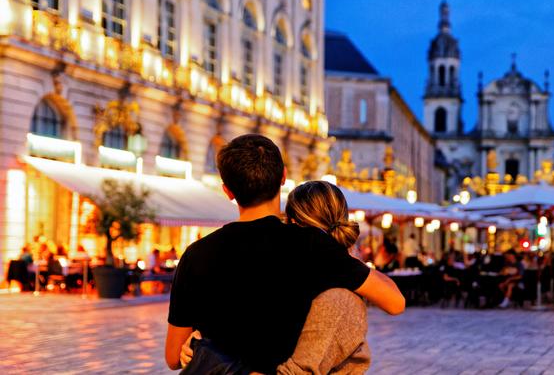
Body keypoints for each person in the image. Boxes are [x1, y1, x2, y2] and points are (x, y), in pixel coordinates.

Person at [165, 135, 404, 373]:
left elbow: (174, 357)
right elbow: (395, 302)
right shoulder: (311, 244)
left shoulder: (195, 255)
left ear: (227, 191)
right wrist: (341, 254)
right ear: (283, 177)